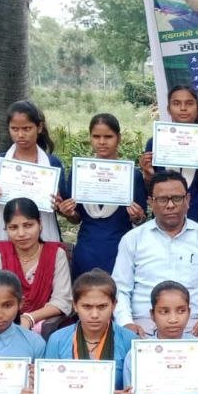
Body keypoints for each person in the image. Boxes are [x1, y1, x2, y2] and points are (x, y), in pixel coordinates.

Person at [111, 170, 198, 338]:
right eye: (162, 199)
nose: (170, 205)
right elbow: (120, 289)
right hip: (143, 326)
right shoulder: (132, 240)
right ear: (151, 202)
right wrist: (126, 324)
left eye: (176, 198)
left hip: (196, 326)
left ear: (187, 200)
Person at [55, 114, 147, 275]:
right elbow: (76, 218)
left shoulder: (132, 176)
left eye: (108, 136)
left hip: (120, 248)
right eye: (96, 136)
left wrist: (137, 216)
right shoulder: (80, 173)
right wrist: (68, 212)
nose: (102, 142)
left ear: (118, 138)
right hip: (87, 248)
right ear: (90, 138)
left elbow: (141, 220)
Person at [0, 198, 72, 333]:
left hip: (42, 322)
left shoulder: (56, 254)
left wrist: (29, 318)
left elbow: (61, 301)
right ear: (6, 229)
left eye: (28, 225)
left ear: (40, 224)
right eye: (13, 227)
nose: (21, 234)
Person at [139, 84, 198, 232]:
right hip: (163, 224)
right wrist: (147, 175)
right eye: (176, 103)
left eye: (189, 103)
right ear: (168, 109)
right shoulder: (155, 144)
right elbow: (149, 193)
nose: (183, 108)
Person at [0, 100, 66, 242]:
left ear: (39, 127)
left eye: (27, 129)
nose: (20, 135)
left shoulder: (53, 163)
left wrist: (59, 204)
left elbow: (64, 210)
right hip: (8, 237)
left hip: (45, 236)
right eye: (14, 129)